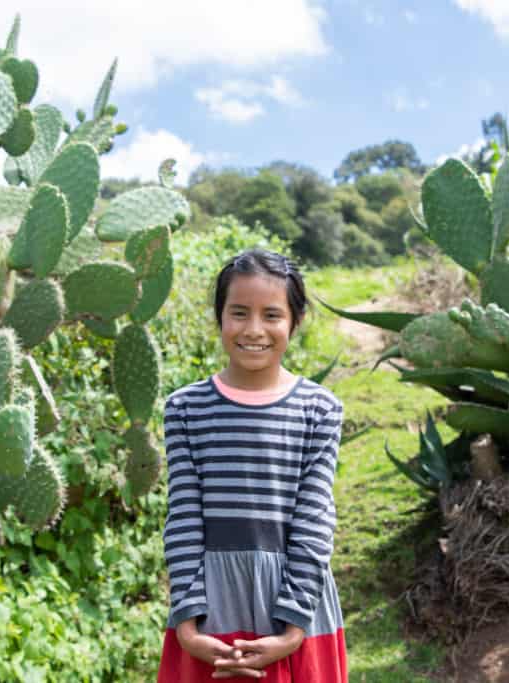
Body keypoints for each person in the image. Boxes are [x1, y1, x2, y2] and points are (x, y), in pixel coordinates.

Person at [156, 249, 348, 682]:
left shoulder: (320, 409)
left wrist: (291, 630)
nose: (254, 330)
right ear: (219, 317)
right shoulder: (185, 409)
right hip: (210, 612)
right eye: (239, 313)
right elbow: (183, 517)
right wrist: (188, 625)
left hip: (294, 612)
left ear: (295, 322)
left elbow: (314, 522)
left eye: (272, 315)